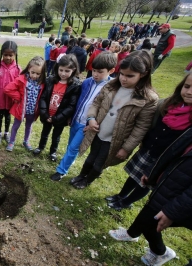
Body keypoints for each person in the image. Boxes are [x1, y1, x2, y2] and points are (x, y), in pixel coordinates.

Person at [70, 50, 159, 189]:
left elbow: (141, 127)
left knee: (100, 162)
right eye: (121, 74)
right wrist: (91, 118)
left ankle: (87, 181)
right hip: (98, 132)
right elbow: (97, 103)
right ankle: (81, 176)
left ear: (143, 74)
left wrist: (126, 148)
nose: (123, 78)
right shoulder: (111, 85)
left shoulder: (148, 99)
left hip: (115, 140)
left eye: (130, 76)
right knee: (91, 157)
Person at [106, 73, 192, 211]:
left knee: (145, 183)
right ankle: (120, 195)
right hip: (149, 149)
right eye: (187, 86)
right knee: (134, 176)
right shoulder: (169, 105)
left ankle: (126, 202)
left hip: (163, 160)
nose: (189, 92)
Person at [108, 128, 192, 266]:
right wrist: (152, 172)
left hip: (182, 197)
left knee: (151, 222)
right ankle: (132, 234)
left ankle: (160, 252)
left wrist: (172, 211)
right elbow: (173, 150)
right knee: (147, 214)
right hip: (170, 183)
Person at [50, 52, 116, 181]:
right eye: (94, 70)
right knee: (71, 145)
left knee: (74, 147)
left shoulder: (112, 88)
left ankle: (61, 171)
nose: (96, 74)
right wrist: (71, 117)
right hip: (76, 120)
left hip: (87, 125)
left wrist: (93, 122)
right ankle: (70, 160)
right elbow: (78, 101)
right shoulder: (86, 82)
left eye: (100, 72)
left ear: (111, 70)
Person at [33, 54, 81, 161]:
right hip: (47, 115)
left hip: (60, 118)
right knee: (44, 133)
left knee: (56, 136)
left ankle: (52, 152)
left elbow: (71, 105)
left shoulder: (75, 85)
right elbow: (43, 98)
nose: (63, 73)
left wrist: (57, 118)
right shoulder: (50, 80)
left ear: (73, 70)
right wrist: (45, 114)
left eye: (67, 71)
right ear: (57, 68)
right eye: (61, 70)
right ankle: (40, 147)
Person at [4, 56, 46, 152]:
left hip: (33, 110)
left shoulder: (42, 83)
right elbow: (7, 89)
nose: (35, 75)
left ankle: (26, 141)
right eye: (33, 72)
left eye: (38, 73)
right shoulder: (21, 79)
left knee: (29, 126)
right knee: (16, 125)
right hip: (21, 109)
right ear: (28, 69)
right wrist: (18, 96)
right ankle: (11, 141)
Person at [0, 41, 21, 144]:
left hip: (11, 101)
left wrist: (17, 99)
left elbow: (20, 86)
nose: (8, 57)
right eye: (5, 55)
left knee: (8, 117)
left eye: (10, 55)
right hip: (0, 100)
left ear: (15, 55)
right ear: (2, 54)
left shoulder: (17, 69)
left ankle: (6, 133)